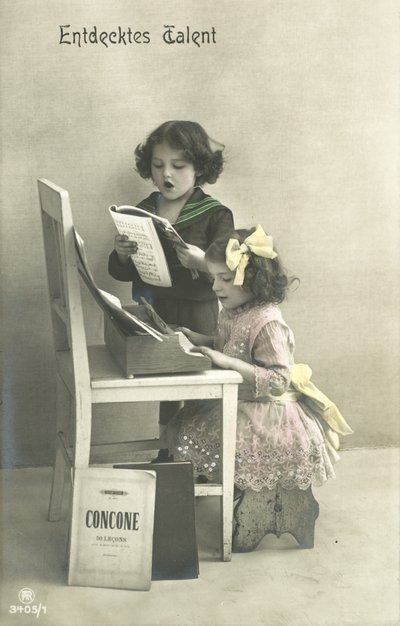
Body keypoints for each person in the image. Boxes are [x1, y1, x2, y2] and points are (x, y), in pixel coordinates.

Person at [164, 225, 353, 494]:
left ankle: (242, 497)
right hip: (241, 399)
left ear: (252, 280)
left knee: (214, 436)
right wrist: (200, 339)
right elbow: (231, 346)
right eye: (214, 278)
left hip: (267, 411)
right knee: (186, 425)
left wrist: (228, 363)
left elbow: (278, 379)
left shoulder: (267, 323)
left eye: (226, 279)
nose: (216, 286)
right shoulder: (235, 309)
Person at [108, 120, 235, 452]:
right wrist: (122, 255)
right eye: (158, 165)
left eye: (178, 166)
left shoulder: (215, 214)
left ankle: (201, 458)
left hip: (199, 313)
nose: (167, 174)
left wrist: (203, 262)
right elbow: (118, 272)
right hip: (155, 310)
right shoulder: (143, 209)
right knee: (166, 388)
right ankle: (168, 451)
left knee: (199, 385)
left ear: (199, 169)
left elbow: (232, 274)